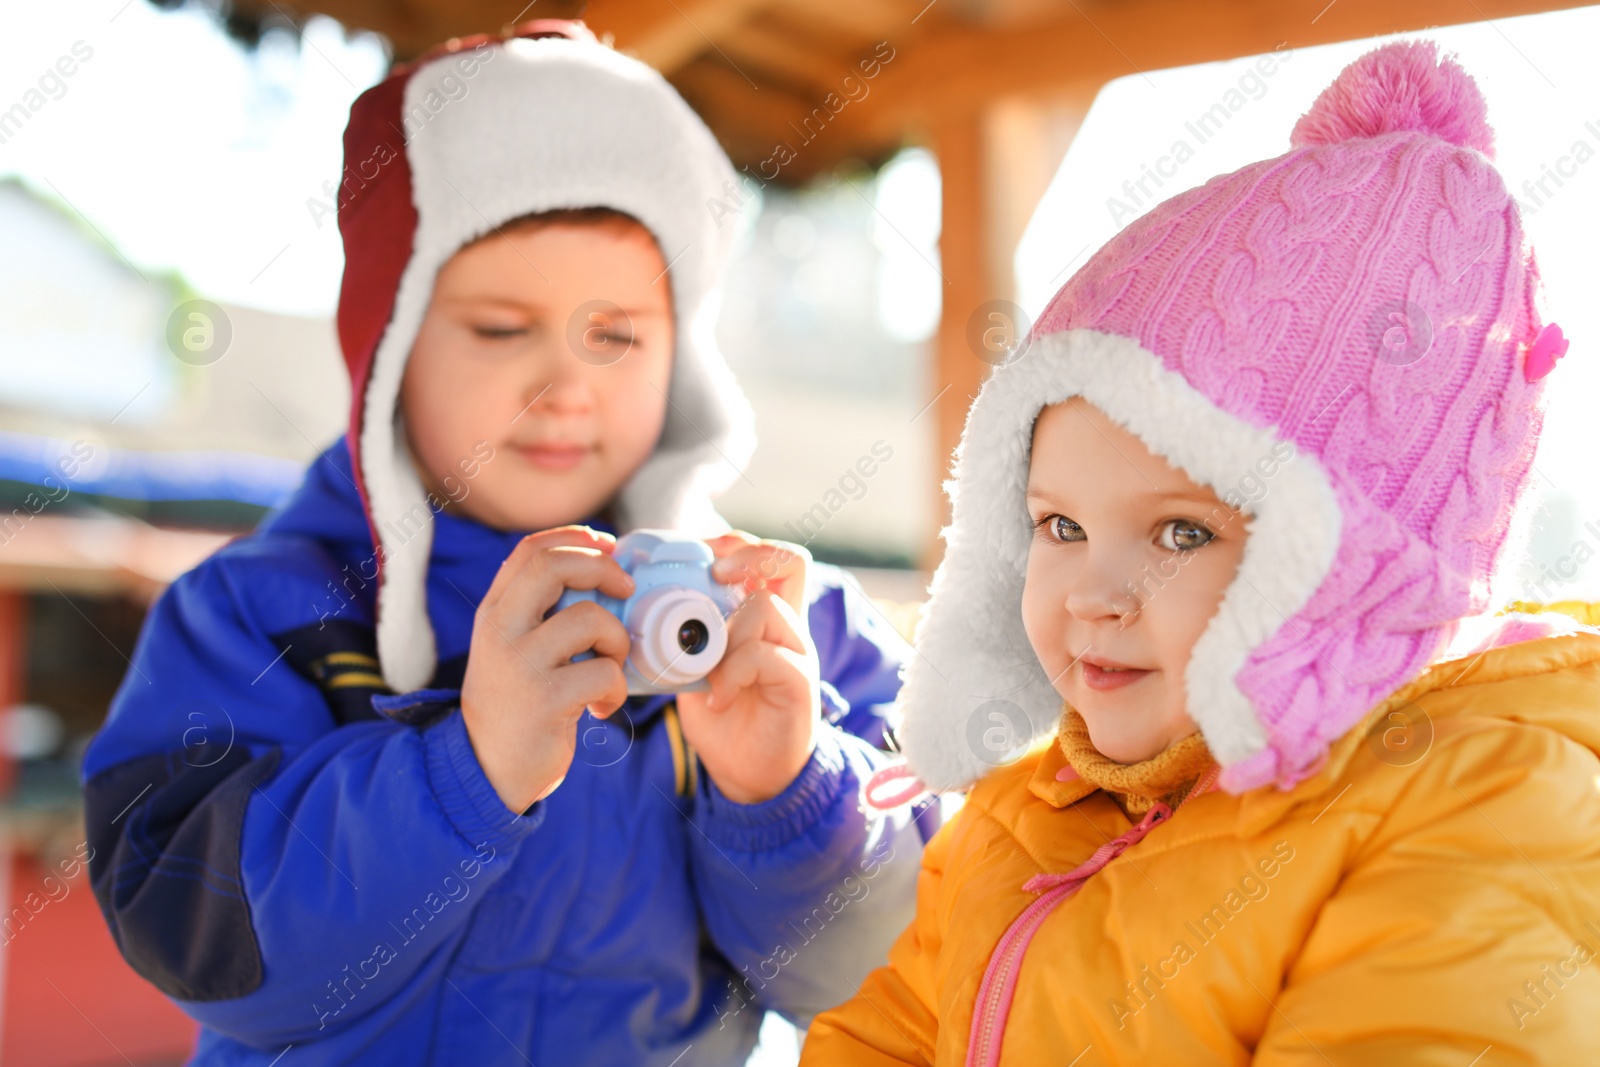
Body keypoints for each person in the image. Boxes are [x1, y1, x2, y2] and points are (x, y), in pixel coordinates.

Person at [82, 21, 925, 1066]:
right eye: (499, 327)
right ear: (388, 348)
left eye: (615, 333)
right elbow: (198, 936)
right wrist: (459, 773)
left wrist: (789, 793)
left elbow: (889, 974)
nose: (565, 385)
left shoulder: (789, 626)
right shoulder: (260, 616)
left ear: (683, 352)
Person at [805, 39, 1600, 1064]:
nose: (1093, 592)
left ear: (1353, 567)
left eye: (1181, 531)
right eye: (1059, 525)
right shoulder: (1021, 814)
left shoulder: (1483, 797)